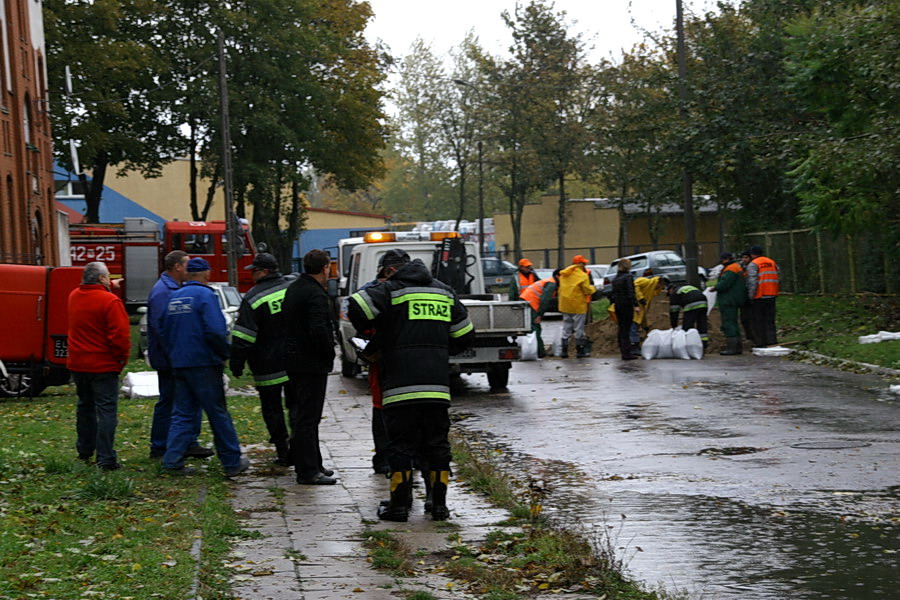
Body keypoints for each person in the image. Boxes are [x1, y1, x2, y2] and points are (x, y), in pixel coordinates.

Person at [348, 249, 475, 522]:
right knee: (437, 443)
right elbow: (465, 334)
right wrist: (439, 348)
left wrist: (378, 328)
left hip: (399, 383)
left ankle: (399, 506)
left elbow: (356, 305)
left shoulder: (391, 290)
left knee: (400, 445)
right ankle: (439, 506)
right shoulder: (444, 292)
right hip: (437, 385)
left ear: (391, 271)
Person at [161, 257, 248, 477]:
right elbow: (216, 330)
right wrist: (223, 354)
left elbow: (163, 330)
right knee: (217, 412)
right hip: (204, 362)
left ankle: (171, 461)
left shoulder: (173, 297)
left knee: (182, 412)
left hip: (180, 363)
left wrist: (174, 355)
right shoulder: (206, 296)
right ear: (206, 274)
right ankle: (231, 461)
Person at [146, 250, 213, 461]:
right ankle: (160, 446)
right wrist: (176, 355)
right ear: (177, 267)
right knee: (169, 402)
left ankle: (187, 442)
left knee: (184, 402)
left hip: (176, 357)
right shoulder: (163, 292)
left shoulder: (173, 288)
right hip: (170, 359)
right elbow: (161, 328)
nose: (190, 270)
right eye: (187, 265)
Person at [230, 253, 295, 466]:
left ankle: (283, 451)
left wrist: (237, 363)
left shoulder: (253, 297)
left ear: (264, 271)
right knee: (297, 407)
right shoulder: (293, 287)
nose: (252, 275)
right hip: (296, 362)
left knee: (272, 409)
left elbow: (243, 336)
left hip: (267, 365)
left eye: (255, 271)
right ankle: (301, 448)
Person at [67, 261, 131, 470]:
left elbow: (92, 296)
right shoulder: (110, 301)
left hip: (78, 363)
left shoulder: (74, 296)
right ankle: (106, 458)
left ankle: (85, 449)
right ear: (102, 279)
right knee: (106, 411)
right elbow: (119, 337)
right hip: (103, 365)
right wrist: (120, 361)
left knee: (85, 406)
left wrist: (110, 286)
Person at [283, 249, 337, 485]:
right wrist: (329, 353)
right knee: (308, 417)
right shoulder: (315, 294)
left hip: (294, 360)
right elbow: (319, 329)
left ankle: (313, 462)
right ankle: (307, 471)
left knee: (302, 415)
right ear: (324, 267)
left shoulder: (295, 288)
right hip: (310, 363)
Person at [557, 255, 596, 358]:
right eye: (584, 263)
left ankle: (564, 351)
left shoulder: (565, 274)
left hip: (565, 304)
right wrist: (593, 289)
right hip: (578, 305)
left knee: (566, 327)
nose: (585, 265)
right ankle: (580, 351)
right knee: (578, 327)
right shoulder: (582, 275)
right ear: (581, 264)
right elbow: (587, 290)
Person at [519, 269, 560, 358]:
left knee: (533, 327)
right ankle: (540, 351)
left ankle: (537, 350)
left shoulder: (550, 281)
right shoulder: (552, 284)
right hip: (531, 302)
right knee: (535, 327)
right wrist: (540, 315)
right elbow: (544, 300)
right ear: (557, 276)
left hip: (528, 300)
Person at [746, 245, 781, 347]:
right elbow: (779, 278)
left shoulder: (753, 264)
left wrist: (750, 296)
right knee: (770, 320)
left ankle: (761, 342)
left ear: (752, 254)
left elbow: (753, 282)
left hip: (759, 296)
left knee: (759, 320)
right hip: (772, 295)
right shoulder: (772, 262)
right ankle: (772, 341)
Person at [713, 252, 747, 355]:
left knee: (729, 323)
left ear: (726, 259)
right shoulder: (736, 267)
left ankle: (732, 348)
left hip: (729, 300)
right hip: (734, 299)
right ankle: (737, 347)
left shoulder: (730, 269)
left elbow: (724, 283)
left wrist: (715, 288)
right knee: (734, 323)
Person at [608, 259, 640, 360]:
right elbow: (631, 292)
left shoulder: (615, 278)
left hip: (618, 305)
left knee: (621, 328)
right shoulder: (628, 277)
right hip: (626, 304)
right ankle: (627, 353)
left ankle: (623, 351)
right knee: (627, 328)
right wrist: (635, 304)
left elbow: (612, 294)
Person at [668, 282, 710, 350]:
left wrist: (674, 326)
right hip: (703, 302)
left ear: (671, 289)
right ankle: (703, 344)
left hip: (691, 303)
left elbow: (674, 312)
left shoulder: (675, 293)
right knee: (702, 324)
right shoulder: (687, 287)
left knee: (688, 326)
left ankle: (688, 345)